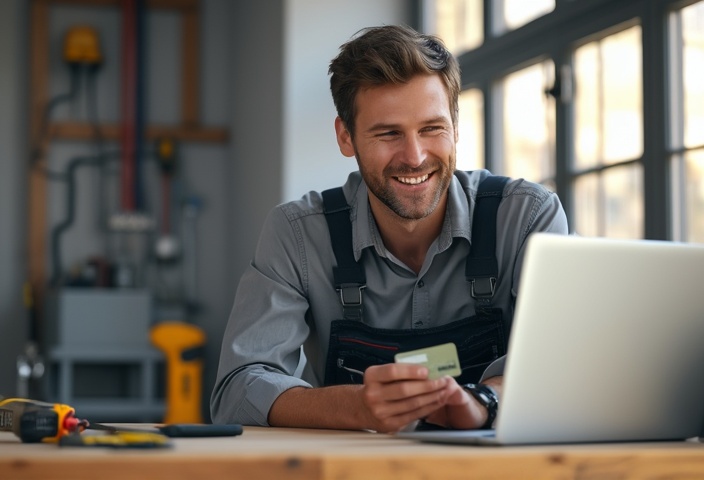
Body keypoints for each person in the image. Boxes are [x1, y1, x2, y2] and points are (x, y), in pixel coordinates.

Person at [210, 25, 568, 433]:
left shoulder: (528, 218)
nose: (414, 157)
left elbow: (562, 364)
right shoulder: (295, 234)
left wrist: (483, 402)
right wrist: (354, 407)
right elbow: (237, 390)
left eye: (432, 128)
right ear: (346, 137)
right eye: (388, 134)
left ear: (455, 124)